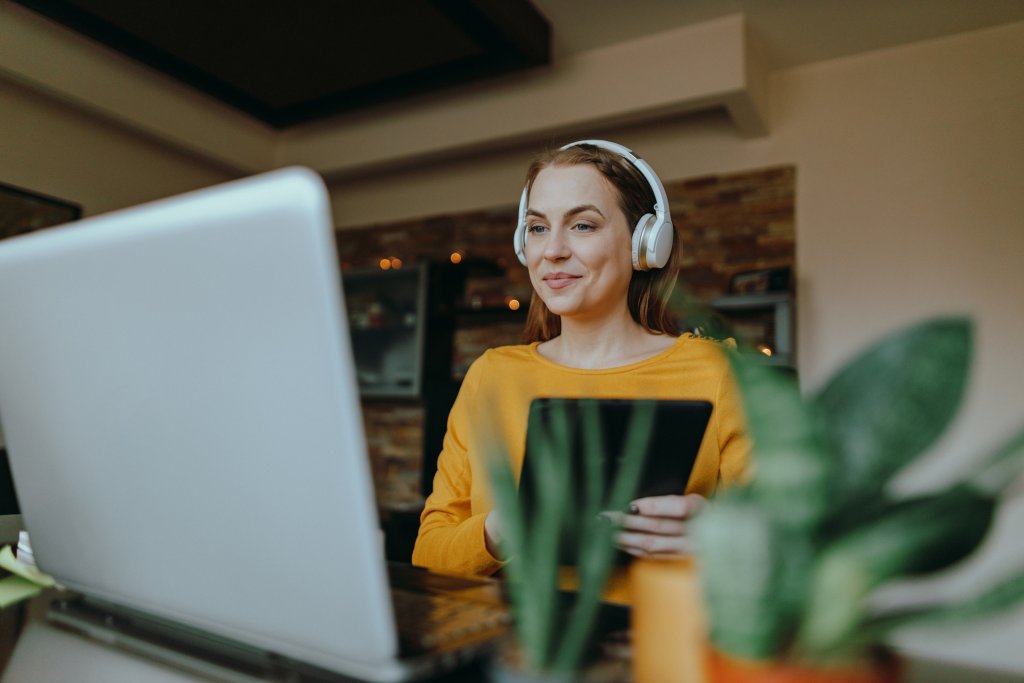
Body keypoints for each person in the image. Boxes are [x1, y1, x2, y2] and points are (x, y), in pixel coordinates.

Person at [411, 140, 749, 599]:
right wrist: (501, 528)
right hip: (508, 641)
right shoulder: (491, 376)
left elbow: (792, 549)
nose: (552, 250)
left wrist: (717, 536)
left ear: (645, 243)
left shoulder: (719, 373)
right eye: (537, 228)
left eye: (583, 225)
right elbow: (428, 554)